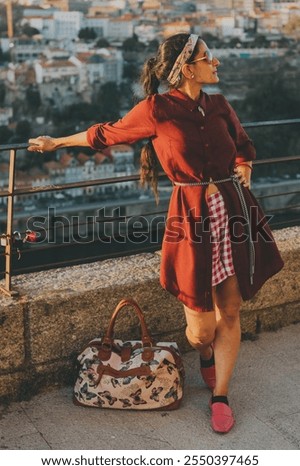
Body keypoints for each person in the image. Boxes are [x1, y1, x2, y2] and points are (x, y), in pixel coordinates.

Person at [28, 33, 284, 433]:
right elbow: (106, 134)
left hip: (233, 211)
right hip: (192, 218)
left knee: (231, 310)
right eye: (208, 57)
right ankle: (204, 353)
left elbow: (242, 141)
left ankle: (221, 395)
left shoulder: (219, 105)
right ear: (187, 68)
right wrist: (56, 141)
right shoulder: (155, 109)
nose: (216, 63)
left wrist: (245, 164)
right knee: (200, 329)